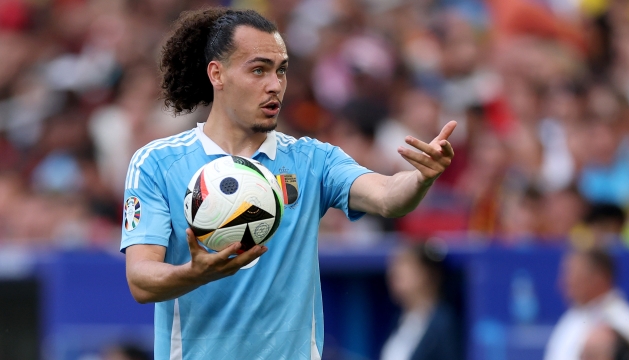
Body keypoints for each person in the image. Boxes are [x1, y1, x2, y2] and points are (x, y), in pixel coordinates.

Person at [120, 7, 456, 360]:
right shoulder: (157, 163)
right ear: (217, 74)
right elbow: (141, 279)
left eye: (281, 71)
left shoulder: (312, 160)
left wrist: (420, 177)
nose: (274, 85)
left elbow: (388, 197)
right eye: (258, 70)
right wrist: (195, 273)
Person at [544, 247, 629, 360]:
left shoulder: (626, 323)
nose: (564, 283)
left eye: (573, 275)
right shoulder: (571, 317)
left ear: (599, 278)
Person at [380, 243, 462, 360]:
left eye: (404, 265)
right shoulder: (400, 319)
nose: (394, 273)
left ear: (427, 273)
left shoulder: (443, 323)